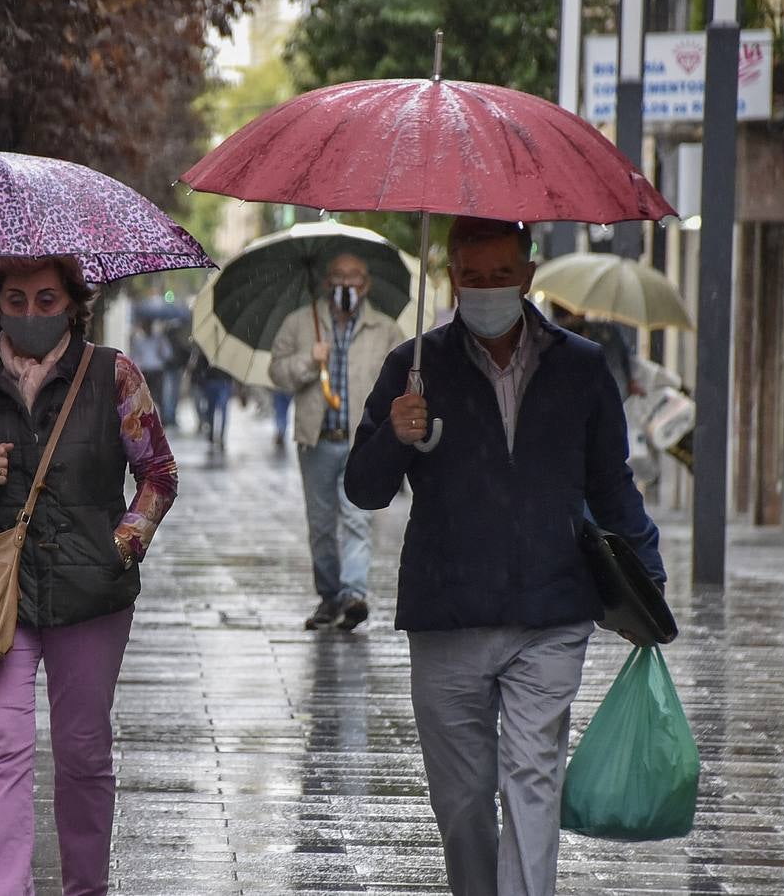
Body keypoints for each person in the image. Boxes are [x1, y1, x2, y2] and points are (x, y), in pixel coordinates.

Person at [344, 216, 666, 896]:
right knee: (462, 806)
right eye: (471, 277)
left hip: (550, 612)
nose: (486, 290)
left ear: (527, 274)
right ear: (451, 276)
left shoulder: (580, 368)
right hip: (447, 614)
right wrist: (395, 435)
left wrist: (649, 586)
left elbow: (612, 485)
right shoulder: (414, 366)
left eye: (499, 276)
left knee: (532, 783)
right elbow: (364, 488)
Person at [0, 255, 177, 896]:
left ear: (72, 304)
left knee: (83, 752)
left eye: (46, 300)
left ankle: (86, 887)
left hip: (91, 593)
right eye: (16, 299)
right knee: (3, 745)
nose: (30, 313)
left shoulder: (113, 374)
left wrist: (124, 542)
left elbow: (158, 474)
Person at [269, 252, 403, 631]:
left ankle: (353, 594)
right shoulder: (301, 323)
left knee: (358, 519)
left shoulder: (386, 330)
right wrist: (310, 362)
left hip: (364, 441)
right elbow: (278, 372)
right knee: (322, 524)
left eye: (355, 277)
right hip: (318, 440)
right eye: (340, 276)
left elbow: (400, 379)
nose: (348, 285)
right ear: (327, 282)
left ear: (367, 285)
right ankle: (329, 596)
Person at [129, 318, 171, 423]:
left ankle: (159, 420)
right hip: (144, 371)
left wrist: (161, 349)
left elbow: (168, 354)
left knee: (157, 397)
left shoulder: (159, 339)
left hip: (157, 370)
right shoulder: (139, 340)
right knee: (143, 397)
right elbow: (133, 356)